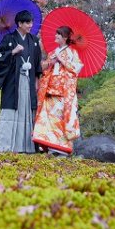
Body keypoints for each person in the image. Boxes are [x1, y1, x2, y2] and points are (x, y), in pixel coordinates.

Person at [0, 10, 42, 153]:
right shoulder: (9, 38)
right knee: (11, 111)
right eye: (27, 22)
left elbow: (38, 63)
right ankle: (5, 146)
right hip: (13, 82)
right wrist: (13, 51)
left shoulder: (34, 41)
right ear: (19, 24)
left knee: (27, 111)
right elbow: (0, 56)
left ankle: (25, 147)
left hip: (29, 80)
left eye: (31, 22)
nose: (30, 25)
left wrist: (37, 81)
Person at [32, 25, 82, 155]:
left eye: (58, 34)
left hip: (63, 92)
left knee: (60, 118)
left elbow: (76, 69)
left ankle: (61, 148)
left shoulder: (72, 53)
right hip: (49, 89)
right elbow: (44, 68)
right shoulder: (52, 52)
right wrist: (50, 62)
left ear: (65, 37)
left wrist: (64, 61)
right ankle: (46, 144)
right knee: (46, 117)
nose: (56, 36)